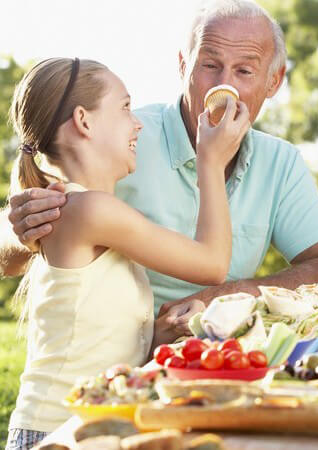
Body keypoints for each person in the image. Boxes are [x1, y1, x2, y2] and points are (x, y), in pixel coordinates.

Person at [0, 0, 318, 337]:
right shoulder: (122, 141)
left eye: (245, 71)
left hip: (211, 360)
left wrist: (233, 296)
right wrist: (23, 230)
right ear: (183, 66)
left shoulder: (279, 163)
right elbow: (21, 240)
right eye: (209, 65)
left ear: (273, 82)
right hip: (114, 358)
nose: (224, 85)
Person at [4, 57, 248, 449]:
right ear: (84, 121)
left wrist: (153, 338)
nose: (138, 124)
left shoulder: (84, 208)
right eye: (124, 107)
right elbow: (213, 264)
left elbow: (93, 336)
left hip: (89, 425)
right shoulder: (89, 210)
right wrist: (211, 161)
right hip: (58, 433)